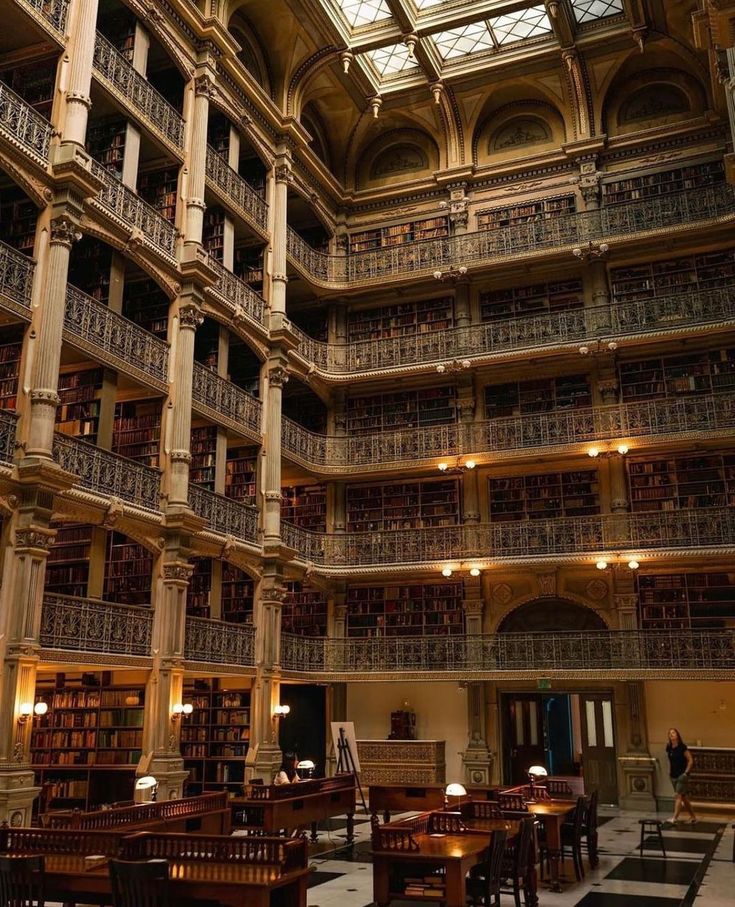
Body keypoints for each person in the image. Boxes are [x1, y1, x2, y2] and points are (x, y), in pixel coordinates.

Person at [665, 727, 696, 823]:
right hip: (673, 775)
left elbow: (690, 760)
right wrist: (669, 771)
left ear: (677, 735)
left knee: (678, 795)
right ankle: (693, 817)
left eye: (673, 733)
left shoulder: (682, 747)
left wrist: (686, 773)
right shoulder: (669, 747)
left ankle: (674, 818)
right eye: (670, 733)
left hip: (682, 775)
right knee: (683, 797)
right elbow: (670, 760)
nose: (671, 734)